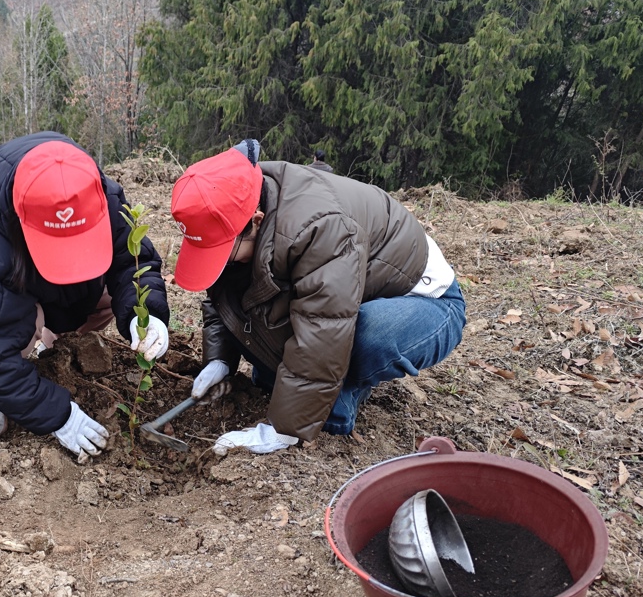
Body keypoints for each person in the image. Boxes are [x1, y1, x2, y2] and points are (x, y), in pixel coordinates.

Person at [170, 140, 465, 454]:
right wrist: (220, 359)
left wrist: (283, 430)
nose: (223, 261)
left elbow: (324, 328)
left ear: (256, 221)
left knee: (365, 338)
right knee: (274, 353)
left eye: (223, 252)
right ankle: (322, 390)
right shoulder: (239, 200)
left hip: (426, 303)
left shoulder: (319, 227)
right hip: (346, 296)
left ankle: (340, 403)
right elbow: (224, 292)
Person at [0, 132, 170, 462]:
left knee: (104, 295)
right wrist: (58, 415)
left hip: (23, 275)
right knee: (17, 323)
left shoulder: (95, 192)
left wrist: (144, 313)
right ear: (22, 218)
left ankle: (53, 348)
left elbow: (131, 260)